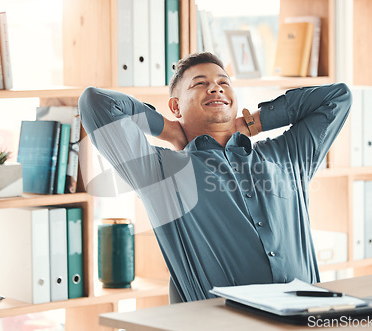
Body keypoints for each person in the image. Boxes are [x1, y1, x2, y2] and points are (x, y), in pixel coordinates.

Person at [79, 52, 351, 303]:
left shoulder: (287, 156)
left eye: (224, 82)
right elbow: (96, 103)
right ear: (176, 107)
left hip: (309, 315)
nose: (216, 87)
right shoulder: (161, 172)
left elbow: (338, 97)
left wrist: (254, 122)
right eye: (199, 83)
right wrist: (168, 130)